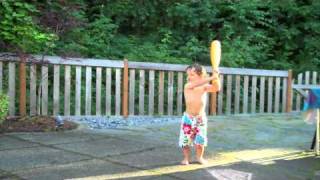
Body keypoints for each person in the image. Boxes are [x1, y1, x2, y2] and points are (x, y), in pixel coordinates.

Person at [179, 63, 220, 165]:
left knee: (200, 141)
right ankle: (186, 158)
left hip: (200, 118)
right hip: (188, 118)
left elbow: (216, 88)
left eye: (192, 75)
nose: (189, 77)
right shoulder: (188, 86)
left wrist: (216, 77)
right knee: (185, 141)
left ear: (201, 75)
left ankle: (199, 157)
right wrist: (212, 77)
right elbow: (195, 84)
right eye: (188, 75)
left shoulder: (204, 87)